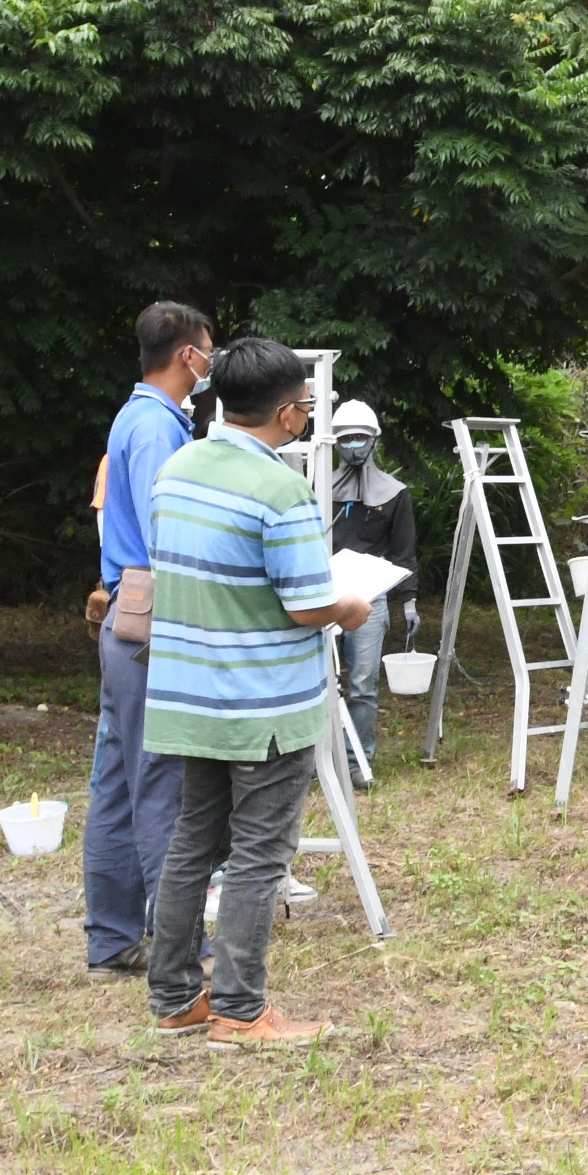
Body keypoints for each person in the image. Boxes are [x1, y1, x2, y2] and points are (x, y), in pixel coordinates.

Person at [141, 338, 371, 1050]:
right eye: (304, 405)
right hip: (263, 704)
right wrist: (351, 608)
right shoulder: (280, 489)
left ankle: (177, 995)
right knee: (259, 856)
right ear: (290, 413)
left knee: (192, 845)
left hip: (189, 696)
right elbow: (307, 604)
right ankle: (241, 1011)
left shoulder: (176, 470)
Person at [80, 301, 213, 979]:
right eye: (207, 350)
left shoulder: (134, 417)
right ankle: (178, 942)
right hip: (150, 616)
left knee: (116, 779)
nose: (209, 363)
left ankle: (111, 938)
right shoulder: (159, 428)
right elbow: (169, 533)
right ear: (186, 354)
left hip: (123, 616)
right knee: (162, 778)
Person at [325, 399, 419, 783]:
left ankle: (357, 763)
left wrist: (409, 602)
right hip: (323, 594)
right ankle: (318, 761)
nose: (353, 445)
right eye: (345, 438)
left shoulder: (395, 494)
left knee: (363, 683)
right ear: (333, 442)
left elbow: (404, 552)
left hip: (370, 596)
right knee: (320, 681)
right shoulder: (318, 488)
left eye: (360, 437)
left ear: (374, 439)